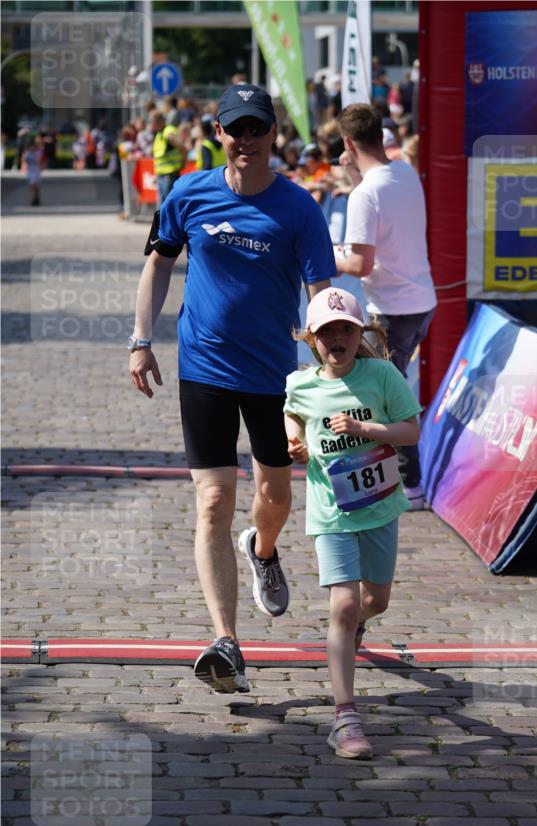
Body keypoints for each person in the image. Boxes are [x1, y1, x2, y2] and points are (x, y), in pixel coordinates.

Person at [129, 83, 335, 693]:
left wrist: (330, 373)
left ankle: (262, 550)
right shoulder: (187, 192)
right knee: (214, 502)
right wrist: (140, 339)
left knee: (276, 495)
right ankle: (226, 641)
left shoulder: (299, 208)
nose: (247, 140)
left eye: (257, 128)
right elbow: (159, 262)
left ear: (273, 133)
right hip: (205, 368)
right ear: (217, 133)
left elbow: (321, 295)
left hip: (274, 375)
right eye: (235, 129)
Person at [284, 287, 421, 759]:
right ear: (311, 339)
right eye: (327, 332)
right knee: (342, 606)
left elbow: (410, 430)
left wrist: (365, 429)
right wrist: (295, 441)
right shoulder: (301, 383)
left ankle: (357, 625)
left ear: (360, 333)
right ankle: (345, 718)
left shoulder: (381, 375)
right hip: (331, 511)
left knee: (373, 602)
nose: (337, 338)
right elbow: (292, 412)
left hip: (380, 507)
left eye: (346, 329)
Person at [334, 103, 436, 509]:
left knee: (383, 398)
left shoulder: (365, 195)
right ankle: (401, 481)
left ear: (347, 143)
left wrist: (328, 255)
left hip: (392, 309)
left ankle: (409, 485)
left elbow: (360, 264)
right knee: (388, 391)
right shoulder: (406, 173)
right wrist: (353, 176)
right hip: (419, 300)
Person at [150, 110, 185, 207]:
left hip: (170, 176)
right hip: (162, 176)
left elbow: (183, 148)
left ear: (158, 122)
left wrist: (183, 163)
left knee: (168, 205)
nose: (150, 124)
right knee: (163, 205)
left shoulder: (168, 132)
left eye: (151, 121)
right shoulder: (159, 134)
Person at [22, 134, 43, 206]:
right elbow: (23, 161)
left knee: (36, 186)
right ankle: (34, 199)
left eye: (33, 146)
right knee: (32, 185)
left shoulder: (38, 152)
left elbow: (39, 161)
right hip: (30, 171)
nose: (32, 147)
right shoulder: (27, 153)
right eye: (31, 146)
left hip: (36, 170)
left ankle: (36, 198)